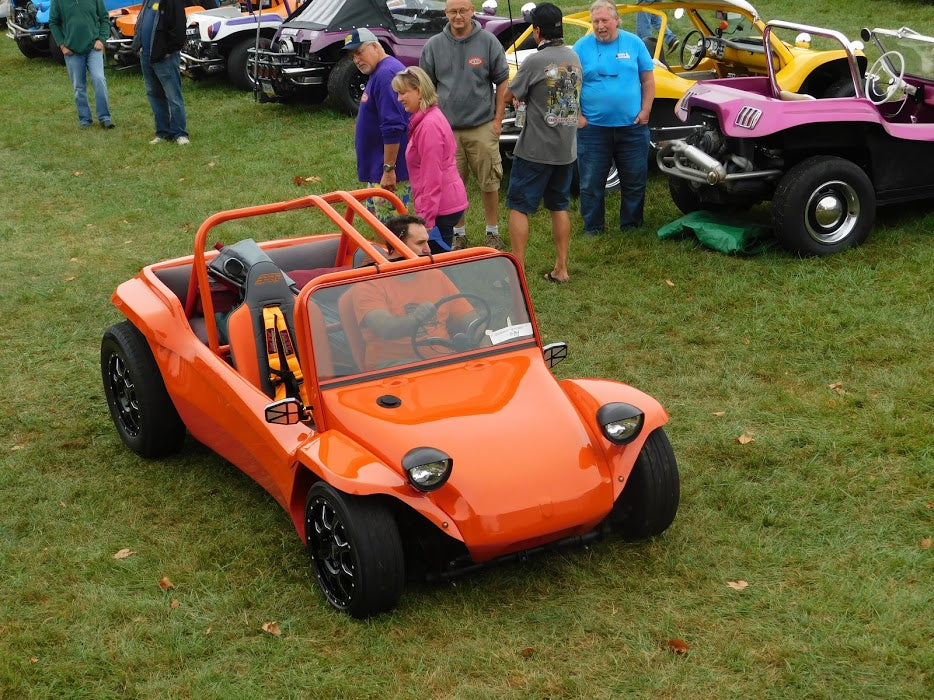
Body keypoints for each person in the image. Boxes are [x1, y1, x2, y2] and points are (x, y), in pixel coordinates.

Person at [420, 0, 509, 251]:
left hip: (482, 126)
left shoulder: (488, 42)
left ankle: (492, 231)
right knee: (453, 186)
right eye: (452, 12)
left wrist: (498, 120)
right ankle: (459, 233)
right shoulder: (434, 45)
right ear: (445, 13)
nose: (458, 16)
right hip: (446, 130)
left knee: (489, 181)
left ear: (472, 11)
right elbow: (426, 86)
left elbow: (503, 81)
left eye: (463, 11)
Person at [503, 3, 581, 284]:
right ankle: (561, 268)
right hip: (566, 150)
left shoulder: (535, 61)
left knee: (519, 206)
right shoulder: (573, 57)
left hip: (534, 150)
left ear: (536, 31)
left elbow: (510, 94)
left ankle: (518, 270)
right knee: (559, 206)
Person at [350, 215, 476, 369]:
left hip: (445, 361)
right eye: (420, 243)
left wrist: (488, 339)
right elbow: (385, 328)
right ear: (396, 246)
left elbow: (470, 318)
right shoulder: (369, 283)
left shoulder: (434, 274)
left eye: (427, 242)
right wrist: (416, 319)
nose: (428, 250)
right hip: (393, 368)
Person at [574, 0, 655, 235]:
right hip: (593, 129)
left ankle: (631, 225)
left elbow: (648, 80)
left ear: (616, 20)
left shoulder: (635, 43)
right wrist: (578, 116)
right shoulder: (580, 47)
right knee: (590, 183)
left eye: (604, 21)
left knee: (635, 180)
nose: (600, 26)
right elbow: (569, 85)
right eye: (595, 21)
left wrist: (646, 110)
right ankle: (593, 228)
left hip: (632, 126)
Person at [391, 66, 468, 254]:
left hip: (441, 208)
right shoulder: (429, 118)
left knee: (436, 266)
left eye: (403, 93)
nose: (399, 98)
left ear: (418, 91)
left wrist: (425, 221)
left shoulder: (429, 126)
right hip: (445, 203)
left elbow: (432, 178)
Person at [343, 28, 412, 222]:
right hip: (379, 168)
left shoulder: (386, 74)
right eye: (352, 56)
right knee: (377, 221)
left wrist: (389, 170)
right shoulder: (379, 71)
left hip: (389, 172)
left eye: (359, 52)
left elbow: (393, 126)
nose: (356, 60)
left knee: (392, 229)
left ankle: (393, 254)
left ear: (374, 46)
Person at [49, 0, 114, 130]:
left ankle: (105, 117)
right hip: (72, 51)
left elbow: (105, 18)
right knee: (79, 87)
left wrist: (101, 39)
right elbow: (53, 23)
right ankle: (85, 119)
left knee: (99, 79)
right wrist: (62, 45)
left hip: (93, 49)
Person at [133, 0, 189, 144]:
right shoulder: (148, 1)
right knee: (154, 95)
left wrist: (169, 51)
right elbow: (141, 22)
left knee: (173, 96)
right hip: (147, 56)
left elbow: (179, 27)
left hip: (165, 58)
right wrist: (139, 45)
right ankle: (162, 133)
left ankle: (180, 133)